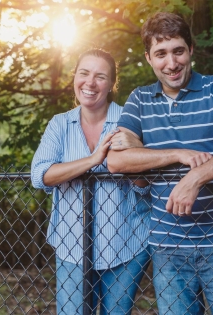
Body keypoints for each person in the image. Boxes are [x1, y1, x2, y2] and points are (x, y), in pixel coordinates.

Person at [106, 12, 213, 315]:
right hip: (167, 250)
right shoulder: (139, 99)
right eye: (161, 54)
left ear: (191, 49)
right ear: (148, 58)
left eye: (178, 51)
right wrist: (178, 153)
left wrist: (195, 178)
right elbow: (116, 160)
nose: (171, 63)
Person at [31, 48, 151, 315]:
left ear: (111, 85)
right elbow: (40, 176)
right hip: (71, 247)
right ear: (75, 77)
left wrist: (137, 157)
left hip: (126, 245)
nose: (90, 83)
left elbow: (145, 185)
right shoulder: (59, 125)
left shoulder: (129, 121)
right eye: (84, 73)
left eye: (100, 76)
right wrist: (94, 159)